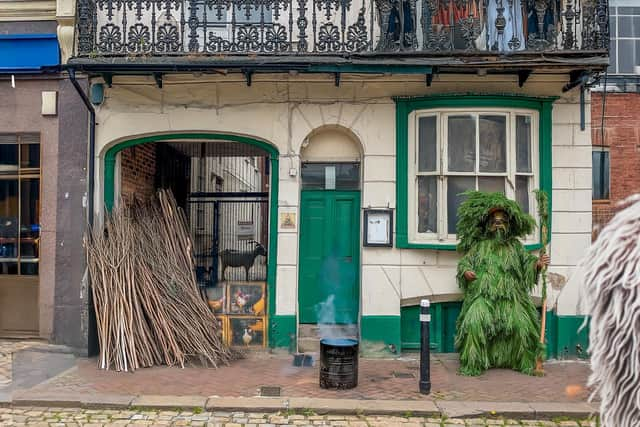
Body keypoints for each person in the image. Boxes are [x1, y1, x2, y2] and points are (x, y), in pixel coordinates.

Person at [455, 191, 549, 376]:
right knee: (474, 322)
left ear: (508, 224)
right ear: (489, 224)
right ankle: (473, 364)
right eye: (495, 221)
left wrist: (538, 264)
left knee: (522, 326)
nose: (498, 224)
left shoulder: (515, 246)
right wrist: (466, 272)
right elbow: (465, 262)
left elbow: (527, 263)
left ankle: (524, 362)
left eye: (502, 221)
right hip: (483, 297)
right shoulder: (480, 246)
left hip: (511, 298)